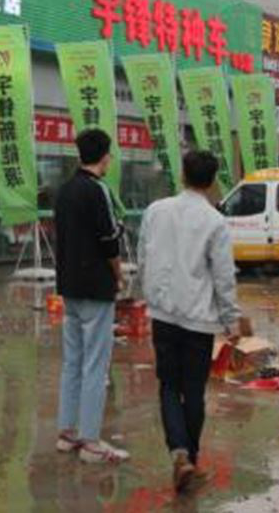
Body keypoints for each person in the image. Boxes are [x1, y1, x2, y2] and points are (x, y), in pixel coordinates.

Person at [137, 150, 242, 492]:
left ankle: (179, 454)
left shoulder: (156, 211)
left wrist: (148, 293)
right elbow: (223, 276)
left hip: (163, 314)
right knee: (193, 390)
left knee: (168, 385)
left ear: (182, 175)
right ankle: (190, 460)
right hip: (198, 318)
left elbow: (143, 257)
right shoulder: (215, 221)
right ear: (212, 182)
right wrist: (232, 320)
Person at [53, 128, 128, 464]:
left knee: (73, 361)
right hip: (96, 287)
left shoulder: (64, 190)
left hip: (69, 285)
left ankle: (67, 433)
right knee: (96, 364)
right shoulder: (98, 190)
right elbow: (109, 240)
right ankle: (91, 441)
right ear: (104, 156)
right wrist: (118, 273)